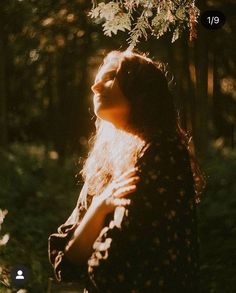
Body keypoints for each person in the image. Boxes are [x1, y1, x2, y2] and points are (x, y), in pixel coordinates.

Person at [48, 50, 205, 293]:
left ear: (141, 90)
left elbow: (113, 266)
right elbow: (66, 265)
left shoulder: (163, 151)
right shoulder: (104, 163)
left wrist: (87, 244)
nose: (95, 86)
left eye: (110, 77)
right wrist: (100, 207)